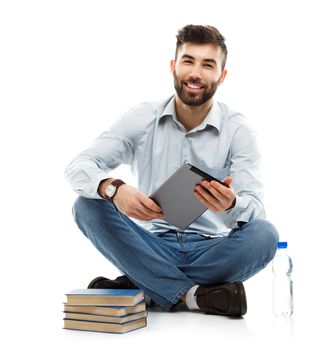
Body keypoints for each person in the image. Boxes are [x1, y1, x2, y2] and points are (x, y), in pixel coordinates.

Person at [65, 24, 279, 317]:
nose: (196, 73)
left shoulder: (239, 131)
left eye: (208, 65)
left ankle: (143, 283)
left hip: (212, 250)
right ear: (173, 67)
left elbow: (255, 211)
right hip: (149, 244)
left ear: (222, 75)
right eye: (188, 61)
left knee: (265, 235)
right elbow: (78, 166)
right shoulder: (141, 118)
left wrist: (231, 205)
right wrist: (114, 189)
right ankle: (192, 296)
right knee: (86, 205)